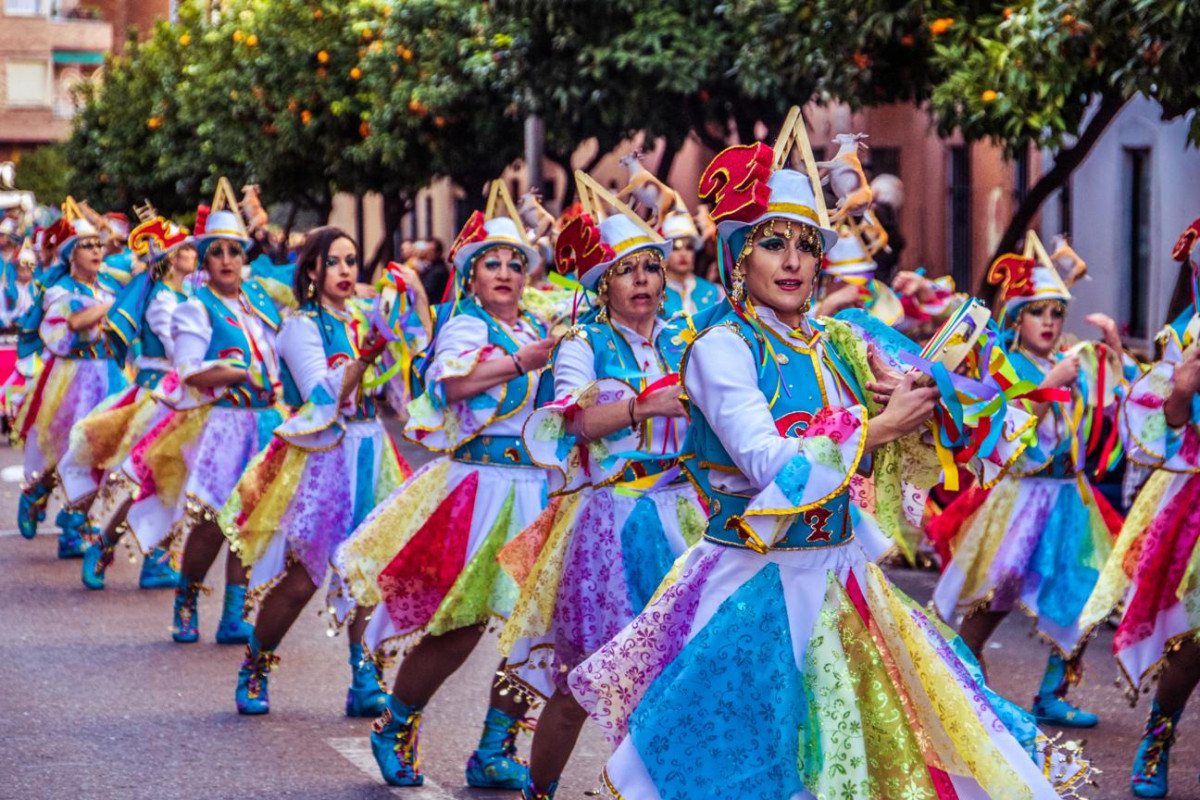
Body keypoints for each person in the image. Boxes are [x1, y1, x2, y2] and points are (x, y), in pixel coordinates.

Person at [567, 112, 1092, 799]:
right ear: (738, 256)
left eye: (806, 245)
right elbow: (767, 461)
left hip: (843, 583)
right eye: (771, 242)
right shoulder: (720, 348)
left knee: (863, 771)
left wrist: (917, 402)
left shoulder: (836, 341)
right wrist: (876, 429)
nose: (791, 260)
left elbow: (898, 450)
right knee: (753, 771)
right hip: (756, 586)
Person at [334, 184, 555, 789]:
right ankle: (395, 724)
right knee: (458, 628)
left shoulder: (536, 324)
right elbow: (451, 387)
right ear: (472, 276)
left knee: (537, 629)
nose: (506, 272)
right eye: (492, 263)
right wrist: (522, 363)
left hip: (534, 492)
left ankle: (494, 748)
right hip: (477, 491)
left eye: (516, 262)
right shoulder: (464, 326)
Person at [496, 176, 704, 800]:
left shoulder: (688, 337)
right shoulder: (585, 343)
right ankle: (541, 790)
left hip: (684, 516)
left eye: (650, 267)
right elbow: (573, 420)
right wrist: (643, 408)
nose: (641, 279)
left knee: (681, 670)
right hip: (609, 521)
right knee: (585, 678)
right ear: (602, 285)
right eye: (625, 270)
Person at [221, 227, 418, 716]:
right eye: (334, 262)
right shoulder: (300, 326)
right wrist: (369, 353)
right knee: (305, 576)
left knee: (369, 567)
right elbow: (321, 392)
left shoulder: (363, 317)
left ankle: (364, 676)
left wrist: (412, 319)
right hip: (326, 457)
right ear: (311, 270)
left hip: (373, 451)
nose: (347, 271)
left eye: (352, 261)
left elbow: (399, 390)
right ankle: (257, 664)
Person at [932, 233, 1124, 729]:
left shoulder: (1070, 364)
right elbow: (1009, 436)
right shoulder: (1010, 365)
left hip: (1069, 498)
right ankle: (962, 682)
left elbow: (1112, 409)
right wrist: (1052, 386)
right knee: (993, 595)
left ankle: (1051, 694)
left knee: (1082, 593)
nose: (1050, 322)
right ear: (1017, 319)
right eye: (1039, 312)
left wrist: (1113, 352)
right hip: (1020, 500)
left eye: (1056, 313)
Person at [128, 192, 284, 644]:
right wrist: (235, 372)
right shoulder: (195, 307)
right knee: (214, 520)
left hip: (266, 422)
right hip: (224, 424)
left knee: (254, 519)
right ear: (203, 260)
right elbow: (189, 371)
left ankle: (234, 612)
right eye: (216, 251)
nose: (227, 259)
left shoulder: (259, 301)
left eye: (234, 250)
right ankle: (188, 596)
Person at [1080, 216, 1200, 798]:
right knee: (1194, 640)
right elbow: (1161, 432)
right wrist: (1181, 392)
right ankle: (1159, 735)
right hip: (1193, 500)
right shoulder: (1185, 336)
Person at [73, 216, 197, 590]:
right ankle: (103, 545)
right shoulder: (162, 299)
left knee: (173, 484)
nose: (194, 255)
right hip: (160, 398)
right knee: (150, 481)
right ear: (171, 258)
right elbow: (181, 351)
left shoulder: (184, 297)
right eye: (187, 249)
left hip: (182, 398)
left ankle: (158, 560)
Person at [15, 201, 127, 557]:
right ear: (70, 254)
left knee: (102, 455)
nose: (96, 250)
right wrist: (116, 306)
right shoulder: (59, 289)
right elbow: (76, 324)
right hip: (71, 377)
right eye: (87, 245)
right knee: (63, 452)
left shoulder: (109, 284)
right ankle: (36, 493)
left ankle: (73, 527)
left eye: (98, 244)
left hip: (108, 374)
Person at [660, 199, 722, 317]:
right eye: (676, 247)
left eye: (688, 247)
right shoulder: (654, 295)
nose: (683, 253)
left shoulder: (714, 292)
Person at [417, 237, 450, 303]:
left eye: (430, 251)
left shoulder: (439, 271)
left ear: (438, 253)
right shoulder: (430, 266)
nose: (427, 254)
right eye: (426, 251)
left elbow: (425, 290)